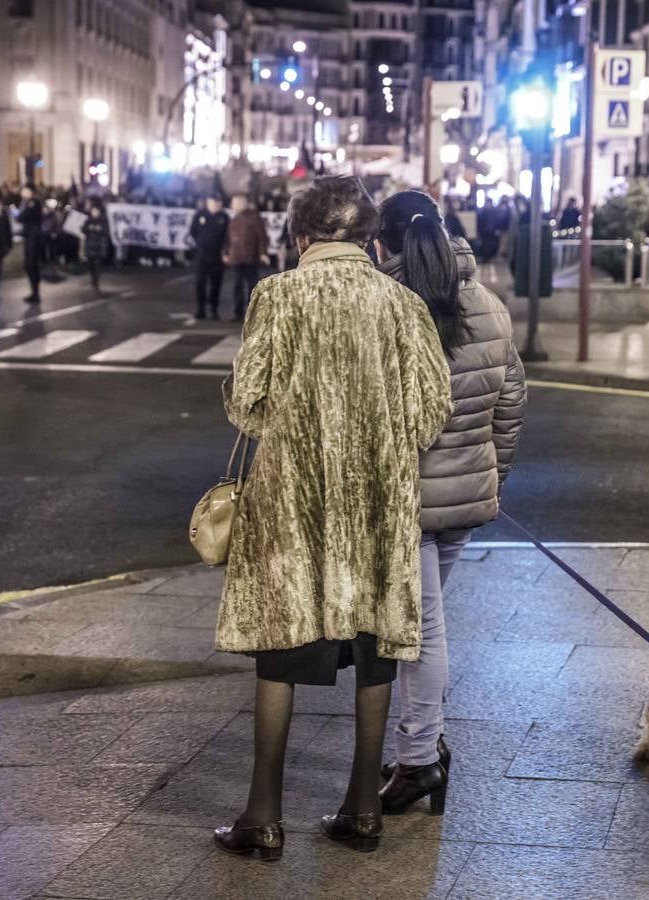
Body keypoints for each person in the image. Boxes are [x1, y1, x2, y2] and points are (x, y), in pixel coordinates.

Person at [213, 176, 453, 862]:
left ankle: (262, 816)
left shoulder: (279, 296)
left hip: (293, 506)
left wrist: (280, 425)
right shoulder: (402, 304)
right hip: (378, 506)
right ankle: (363, 808)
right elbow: (432, 410)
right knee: (376, 652)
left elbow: (249, 399)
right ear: (367, 240)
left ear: (301, 239)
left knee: (279, 656)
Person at [372, 189, 526, 816]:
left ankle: (418, 761)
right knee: (424, 629)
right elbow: (510, 401)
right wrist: (494, 476)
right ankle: (425, 746)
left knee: (418, 635)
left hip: (407, 500)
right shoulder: (488, 305)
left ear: (382, 244)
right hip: (464, 499)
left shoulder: (387, 307)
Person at [222, 194, 268, 322]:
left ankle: (252, 313)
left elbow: (262, 237)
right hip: (236, 258)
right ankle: (238, 312)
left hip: (250, 258)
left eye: (235, 203)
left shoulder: (254, 217)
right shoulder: (234, 219)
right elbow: (228, 239)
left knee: (252, 287)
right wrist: (226, 253)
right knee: (237, 285)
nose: (233, 206)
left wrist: (262, 253)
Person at [190, 195, 229, 319]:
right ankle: (200, 308)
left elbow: (227, 235)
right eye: (213, 202)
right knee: (200, 283)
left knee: (216, 283)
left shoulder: (224, 217)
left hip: (217, 255)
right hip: (202, 254)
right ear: (208, 202)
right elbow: (193, 231)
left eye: (218, 202)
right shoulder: (200, 215)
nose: (216, 205)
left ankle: (213, 309)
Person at [17, 185, 44, 304]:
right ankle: (34, 292)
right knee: (30, 266)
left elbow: (21, 217)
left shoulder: (33, 203)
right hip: (30, 236)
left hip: (34, 237)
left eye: (25, 190)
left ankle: (36, 294)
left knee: (31, 265)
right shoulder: (28, 203)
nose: (23, 192)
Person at [81, 203, 110, 292]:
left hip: (98, 245)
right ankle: (93, 278)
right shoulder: (88, 220)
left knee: (97, 264)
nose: (94, 212)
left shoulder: (103, 221)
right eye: (93, 211)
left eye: (95, 211)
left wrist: (99, 229)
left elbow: (106, 231)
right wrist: (89, 228)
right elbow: (83, 229)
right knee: (91, 264)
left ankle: (96, 281)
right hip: (90, 245)